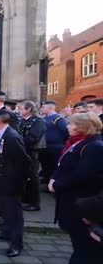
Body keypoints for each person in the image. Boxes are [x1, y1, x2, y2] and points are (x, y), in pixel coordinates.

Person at [49, 112, 103, 263]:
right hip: (73, 202)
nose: (67, 126)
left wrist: (57, 184)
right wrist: (53, 178)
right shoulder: (78, 142)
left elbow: (82, 175)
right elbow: (64, 165)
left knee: (85, 250)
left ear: (83, 127)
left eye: (71, 124)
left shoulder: (94, 147)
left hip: (81, 205)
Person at [0, 109, 31, 258]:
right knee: (6, 211)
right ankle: (6, 232)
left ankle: (16, 244)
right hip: (1, 180)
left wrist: (20, 181)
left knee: (14, 215)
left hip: (10, 182)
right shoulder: (1, 134)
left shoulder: (12, 137)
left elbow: (24, 161)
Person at [19, 101, 47, 212]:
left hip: (31, 152)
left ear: (28, 109)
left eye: (21, 108)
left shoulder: (38, 121)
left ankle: (34, 203)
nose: (19, 110)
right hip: (24, 151)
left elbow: (33, 137)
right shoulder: (23, 121)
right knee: (25, 177)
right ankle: (26, 199)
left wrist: (19, 145)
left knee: (32, 178)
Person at [39, 100, 69, 184]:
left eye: (43, 107)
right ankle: (47, 180)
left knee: (54, 166)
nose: (41, 108)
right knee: (46, 165)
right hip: (45, 147)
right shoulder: (44, 118)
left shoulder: (59, 119)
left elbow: (66, 132)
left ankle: (53, 184)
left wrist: (60, 142)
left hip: (56, 148)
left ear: (51, 107)